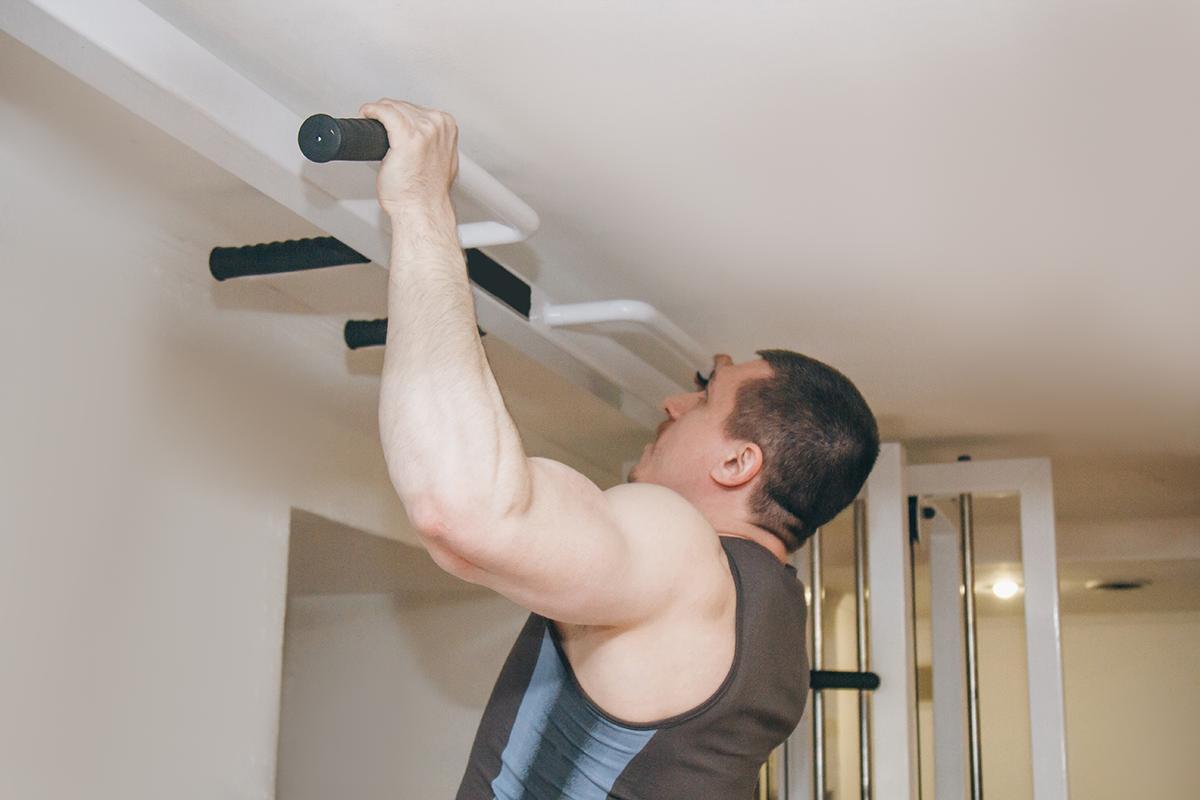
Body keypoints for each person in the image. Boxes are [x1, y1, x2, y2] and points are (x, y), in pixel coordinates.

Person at [360, 98, 880, 799]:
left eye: (704, 396)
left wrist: (423, 207)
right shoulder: (777, 626)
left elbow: (465, 512)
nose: (673, 404)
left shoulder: (684, 553)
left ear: (737, 463)